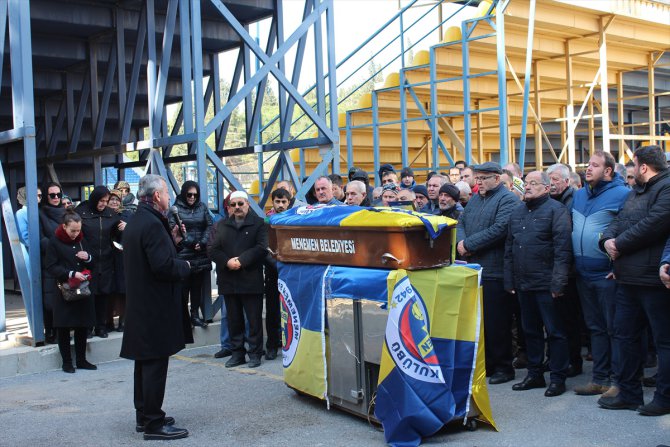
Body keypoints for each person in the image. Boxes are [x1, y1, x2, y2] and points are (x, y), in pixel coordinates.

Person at [598, 145, 670, 415]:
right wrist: (606, 241)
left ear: (643, 167)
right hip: (627, 279)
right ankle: (629, 393)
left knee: (664, 342)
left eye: (633, 165)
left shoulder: (666, 188)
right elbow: (619, 220)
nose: (630, 171)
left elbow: (656, 222)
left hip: (653, 281)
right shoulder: (636, 192)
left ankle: (665, 397)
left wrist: (621, 244)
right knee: (625, 336)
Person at [120, 174, 191, 440]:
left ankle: (145, 414)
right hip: (154, 307)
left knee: (145, 362)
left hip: (142, 305)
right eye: (167, 194)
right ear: (158, 196)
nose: (170, 199)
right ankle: (153, 424)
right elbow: (161, 266)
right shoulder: (150, 224)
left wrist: (171, 242)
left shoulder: (138, 221)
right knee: (154, 365)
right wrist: (185, 266)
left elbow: (154, 255)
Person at [505, 171, 572, 397]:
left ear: (546, 187)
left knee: (555, 332)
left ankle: (557, 377)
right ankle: (534, 374)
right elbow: (509, 249)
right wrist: (509, 279)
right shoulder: (517, 213)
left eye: (534, 183)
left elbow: (563, 250)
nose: (529, 187)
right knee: (530, 331)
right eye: (526, 183)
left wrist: (558, 282)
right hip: (524, 283)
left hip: (547, 284)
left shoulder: (556, 210)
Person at [571, 151, 630, 396]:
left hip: (607, 274)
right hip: (583, 274)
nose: (588, 169)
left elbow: (630, 231)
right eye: (587, 165)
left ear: (608, 170)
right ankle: (600, 378)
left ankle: (619, 380)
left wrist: (619, 267)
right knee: (595, 327)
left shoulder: (624, 195)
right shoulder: (579, 195)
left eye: (594, 165)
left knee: (614, 329)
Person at [456, 162, 518, 385]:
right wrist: (460, 242)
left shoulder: (507, 199)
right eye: (477, 178)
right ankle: (489, 363)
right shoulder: (475, 199)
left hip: (495, 270)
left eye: (483, 178)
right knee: (481, 323)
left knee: (497, 322)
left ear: (497, 179)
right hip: (474, 268)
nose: (478, 182)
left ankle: (504, 366)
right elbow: (460, 221)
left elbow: (500, 229)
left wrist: (468, 244)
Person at [209, 191, 268, 368]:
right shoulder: (221, 225)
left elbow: (262, 247)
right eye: (233, 205)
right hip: (229, 280)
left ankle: (255, 353)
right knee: (234, 320)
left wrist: (242, 261)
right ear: (229, 207)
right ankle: (237, 354)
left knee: (254, 320)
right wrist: (227, 262)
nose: (237, 208)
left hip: (250, 280)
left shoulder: (259, 224)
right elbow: (213, 249)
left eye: (240, 204)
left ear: (248, 204)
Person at [45, 209, 96, 374]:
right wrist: (71, 273)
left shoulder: (82, 240)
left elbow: (94, 262)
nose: (76, 233)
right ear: (64, 226)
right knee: (64, 327)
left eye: (78, 230)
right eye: (72, 230)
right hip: (64, 290)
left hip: (82, 289)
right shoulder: (54, 242)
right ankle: (67, 362)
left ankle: (81, 360)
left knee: (82, 325)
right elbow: (51, 266)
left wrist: (88, 258)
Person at [547, 162, 583, 377]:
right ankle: (557, 359)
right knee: (555, 319)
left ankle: (573, 361)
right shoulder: (550, 202)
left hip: (569, 270)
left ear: (567, 181)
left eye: (555, 180)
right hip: (553, 267)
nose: (551, 184)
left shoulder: (573, 201)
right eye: (549, 180)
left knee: (570, 320)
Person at [76, 186, 121, 339]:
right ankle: (88, 327)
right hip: (88, 261)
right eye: (101, 200)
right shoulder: (81, 213)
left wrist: (123, 229)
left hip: (106, 260)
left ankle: (101, 326)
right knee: (89, 295)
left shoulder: (111, 215)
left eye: (106, 201)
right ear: (94, 199)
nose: (104, 204)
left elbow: (116, 236)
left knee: (103, 295)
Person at [169, 181, 213, 329]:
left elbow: (210, 225)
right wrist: (192, 243)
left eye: (195, 194)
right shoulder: (175, 209)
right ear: (183, 193)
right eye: (189, 194)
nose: (192, 197)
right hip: (184, 253)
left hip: (200, 253)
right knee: (183, 288)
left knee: (197, 287)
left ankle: (195, 316)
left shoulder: (202, 207)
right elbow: (173, 228)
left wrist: (203, 241)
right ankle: (183, 317)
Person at [263, 189, 290, 360]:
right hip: (274, 274)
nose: (280, 205)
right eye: (277, 201)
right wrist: (280, 267)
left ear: (289, 202)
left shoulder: (294, 221)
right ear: (272, 202)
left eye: (284, 202)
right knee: (272, 311)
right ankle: (272, 345)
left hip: (291, 274)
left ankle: (289, 341)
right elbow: (264, 249)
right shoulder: (266, 222)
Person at [39, 182, 66, 344]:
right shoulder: (40, 214)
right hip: (49, 260)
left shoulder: (66, 213)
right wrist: (57, 247)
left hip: (65, 260)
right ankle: (50, 330)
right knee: (50, 299)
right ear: (46, 196)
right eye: (52, 195)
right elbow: (40, 238)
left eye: (58, 195)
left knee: (65, 296)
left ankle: (61, 331)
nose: (56, 198)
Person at [107, 189, 131, 332]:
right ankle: (107, 322)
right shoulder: (104, 215)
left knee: (123, 291)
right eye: (111, 200)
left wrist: (127, 227)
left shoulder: (128, 215)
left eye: (117, 199)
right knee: (109, 291)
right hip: (107, 257)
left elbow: (136, 231)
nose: (114, 202)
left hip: (122, 257)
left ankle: (123, 320)